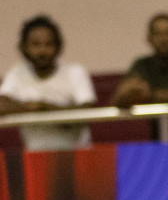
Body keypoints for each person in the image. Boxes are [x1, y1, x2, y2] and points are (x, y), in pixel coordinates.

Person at [0, 16, 97, 151]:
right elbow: (2, 104)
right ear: (24, 47)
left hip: (76, 155)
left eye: (48, 44)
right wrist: (32, 108)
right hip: (34, 159)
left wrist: (46, 109)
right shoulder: (17, 74)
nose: (42, 51)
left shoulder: (75, 72)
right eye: (35, 44)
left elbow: (87, 110)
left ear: (58, 46)